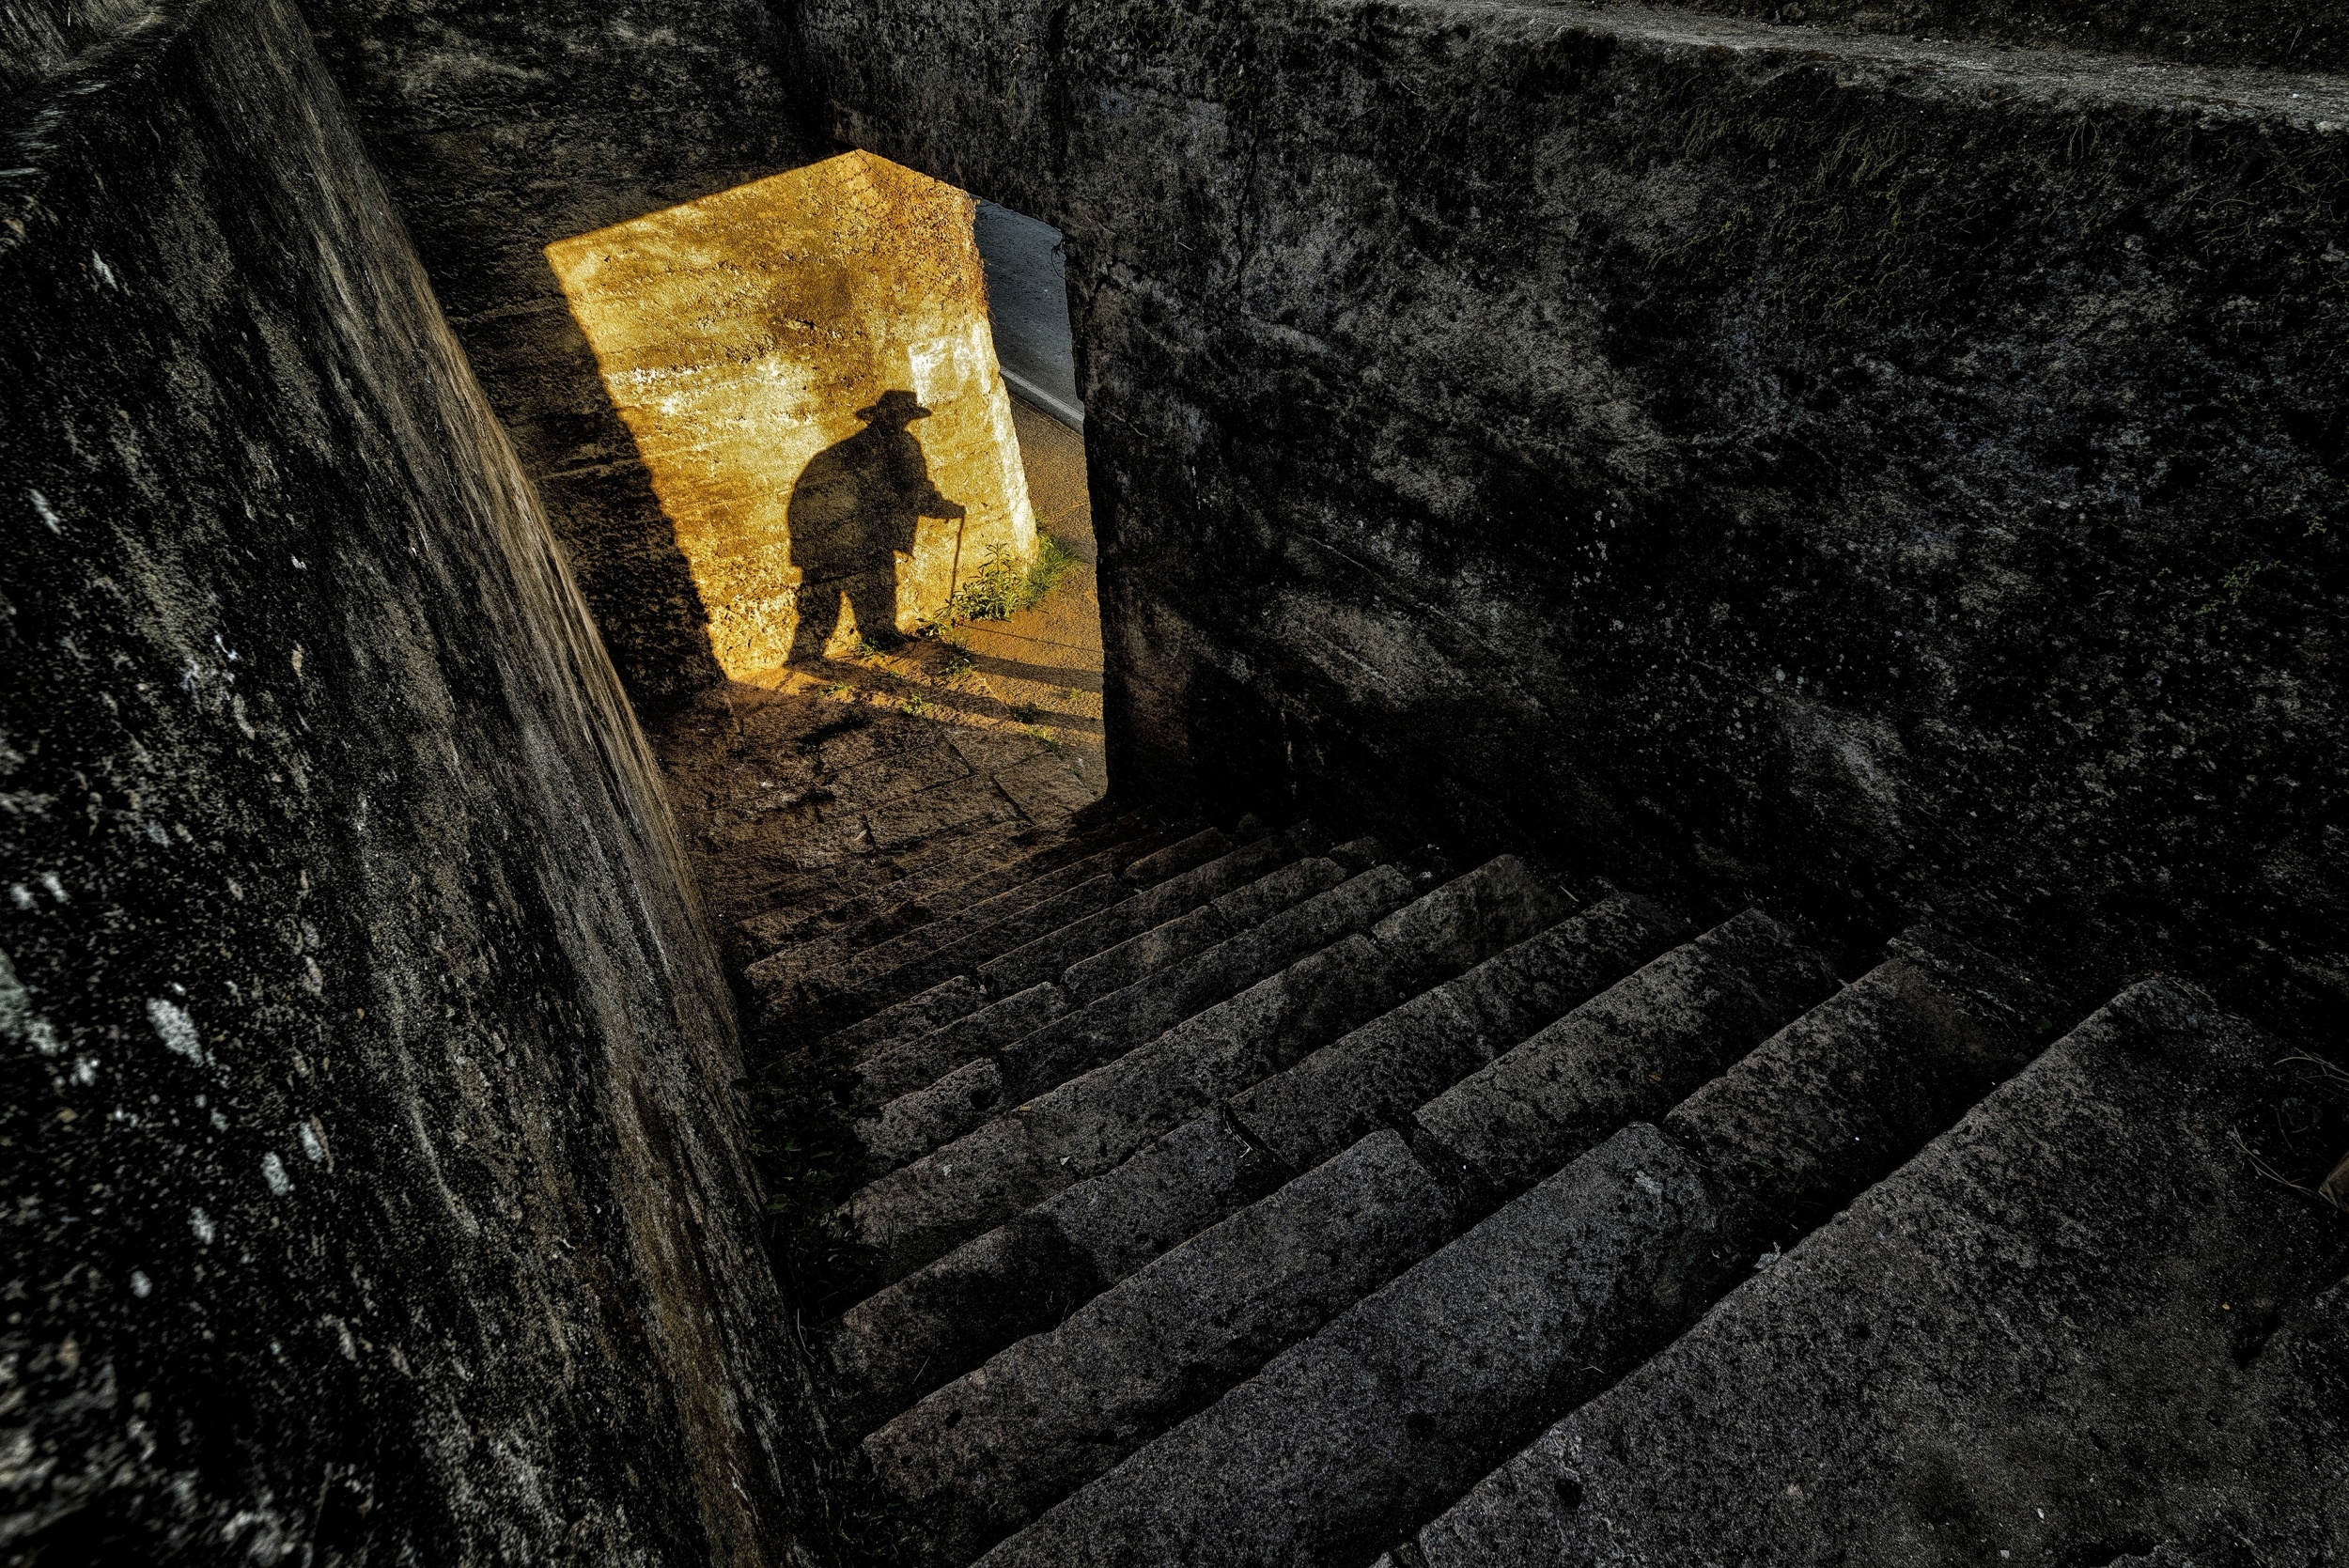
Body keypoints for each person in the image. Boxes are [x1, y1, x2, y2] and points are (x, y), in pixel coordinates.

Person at [787, 389, 967, 659]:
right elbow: (916, 492)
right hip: (869, 533)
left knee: (825, 608)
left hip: (832, 536)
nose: (902, 421)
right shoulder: (902, 445)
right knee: (878, 589)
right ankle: (882, 640)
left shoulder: (855, 445)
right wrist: (947, 509)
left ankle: (808, 655)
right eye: (902, 416)